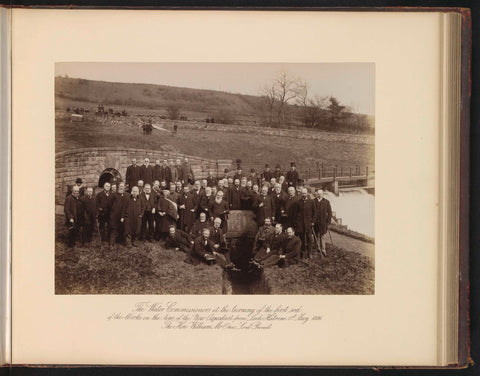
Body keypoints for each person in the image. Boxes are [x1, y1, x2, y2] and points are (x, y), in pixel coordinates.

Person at [293, 187, 316, 259]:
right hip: (300, 224)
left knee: (309, 239)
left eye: (305, 193)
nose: (304, 194)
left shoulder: (311, 201)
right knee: (302, 239)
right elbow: (295, 214)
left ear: (307, 193)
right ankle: (303, 253)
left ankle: (310, 253)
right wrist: (297, 223)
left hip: (308, 224)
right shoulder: (298, 202)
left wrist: (313, 222)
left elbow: (314, 213)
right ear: (301, 194)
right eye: (302, 193)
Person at [108, 182, 129, 249]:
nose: (121, 187)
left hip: (123, 215)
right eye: (120, 186)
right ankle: (111, 244)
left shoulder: (127, 195)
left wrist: (124, 216)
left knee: (123, 229)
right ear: (118, 187)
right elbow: (110, 205)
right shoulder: (113, 195)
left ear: (124, 187)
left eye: (123, 186)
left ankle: (122, 241)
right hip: (115, 216)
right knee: (114, 229)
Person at [313, 189, 332, 257]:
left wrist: (328, 223)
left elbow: (330, 213)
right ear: (316, 194)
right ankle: (316, 247)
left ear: (322, 194)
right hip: (315, 223)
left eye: (320, 194)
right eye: (318, 193)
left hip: (323, 222)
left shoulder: (326, 202)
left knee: (323, 236)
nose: (319, 195)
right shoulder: (313, 201)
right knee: (315, 235)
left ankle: (323, 250)